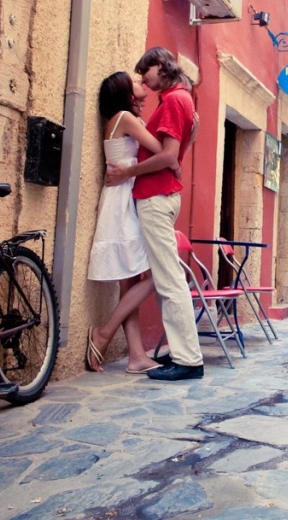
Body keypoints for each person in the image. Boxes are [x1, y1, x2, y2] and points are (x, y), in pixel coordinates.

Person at [85, 71, 196, 374]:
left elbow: (165, 154)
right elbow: (164, 151)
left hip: (123, 197)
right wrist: (183, 143)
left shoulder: (125, 118)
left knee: (131, 279)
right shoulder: (125, 118)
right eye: (134, 81)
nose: (141, 83)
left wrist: (181, 146)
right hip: (123, 201)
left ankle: (135, 355)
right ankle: (104, 332)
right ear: (125, 93)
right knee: (155, 272)